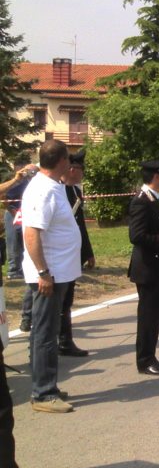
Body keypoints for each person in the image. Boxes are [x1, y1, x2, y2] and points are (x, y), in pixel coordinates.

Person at [20, 140, 79, 414]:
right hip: (49, 274)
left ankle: (47, 385)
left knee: (46, 332)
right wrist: (43, 272)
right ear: (62, 161)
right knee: (45, 334)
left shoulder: (53, 186)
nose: (71, 163)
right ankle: (43, 393)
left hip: (58, 271)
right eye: (69, 159)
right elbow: (31, 233)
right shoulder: (43, 190)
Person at [128, 157, 159, 375]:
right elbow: (136, 236)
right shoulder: (142, 200)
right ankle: (145, 360)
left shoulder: (155, 198)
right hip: (147, 268)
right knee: (147, 317)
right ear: (156, 176)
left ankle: (151, 356)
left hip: (157, 267)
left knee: (154, 315)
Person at [54, 150, 92, 358]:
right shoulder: (58, 191)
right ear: (70, 169)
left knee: (67, 299)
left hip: (71, 255)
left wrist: (88, 252)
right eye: (79, 169)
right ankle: (57, 341)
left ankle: (65, 340)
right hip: (58, 256)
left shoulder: (74, 192)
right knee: (58, 300)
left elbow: (80, 227)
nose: (82, 173)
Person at [3, 159, 35, 285]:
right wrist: (12, 211)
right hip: (13, 213)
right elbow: (4, 197)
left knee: (25, 241)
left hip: (27, 214)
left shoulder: (32, 182)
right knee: (13, 242)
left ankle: (23, 268)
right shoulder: (15, 182)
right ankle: (13, 270)